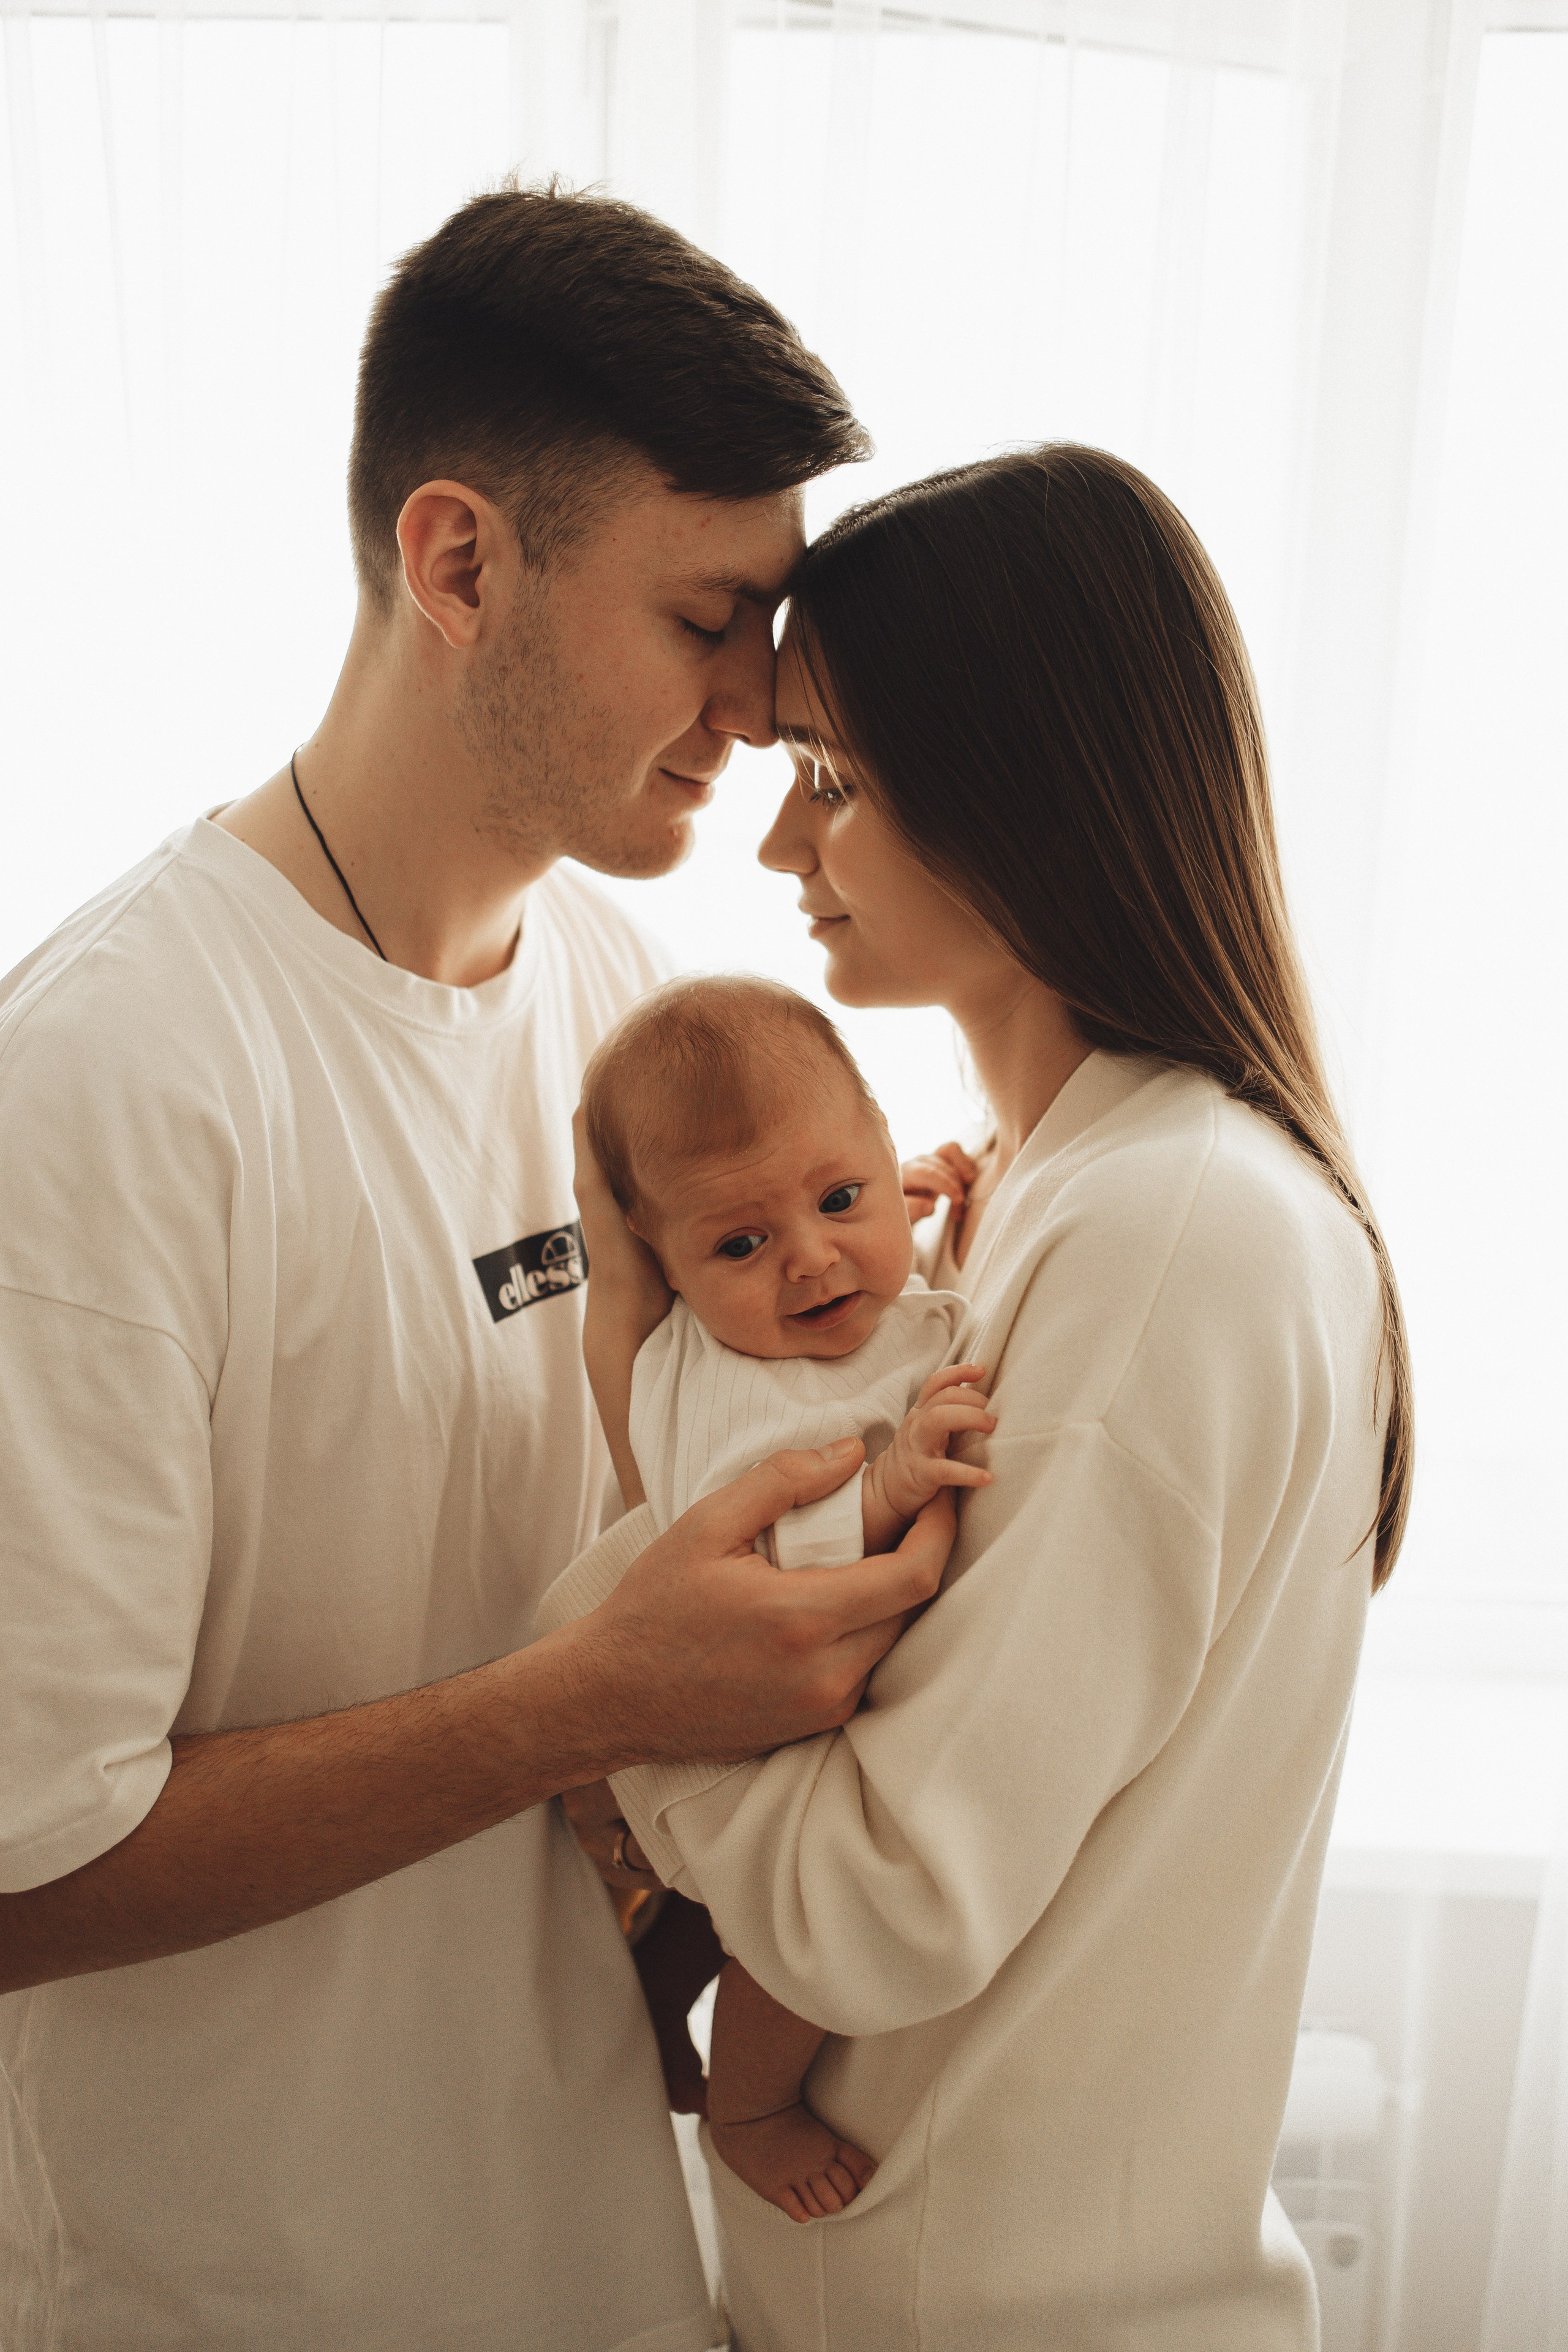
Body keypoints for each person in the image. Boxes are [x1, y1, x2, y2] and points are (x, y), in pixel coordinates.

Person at [0, 184, 954, 2352]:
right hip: (238, 2301)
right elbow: (19, 1868)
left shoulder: (626, 993)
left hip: (606, 2267)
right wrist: (585, 1705)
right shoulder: (98, 1089)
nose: (767, 694)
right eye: (709, 615)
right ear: (457, 565)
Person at [557, 444, 1414, 2351]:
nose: (781, 850)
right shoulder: (1030, 1200)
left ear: (1029, 802)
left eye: (834, 785)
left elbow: (879, 1906)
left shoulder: (1171, 1237)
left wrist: (616, 1713)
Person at [562, 973, 992, 2225]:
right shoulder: (735, 1384)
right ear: (667, 1269)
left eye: (840, 1196)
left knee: (716, 1911)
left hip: (797, 1702)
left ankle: (650, 1994)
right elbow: (741, 1554)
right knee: (801, 1924)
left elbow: (871, 1283)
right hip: (739, 1716)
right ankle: (751, 2109)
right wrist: (887, 1483)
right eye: (738, 1246)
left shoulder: (833, 1290)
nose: (808, 1262)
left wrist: (931, 1210)